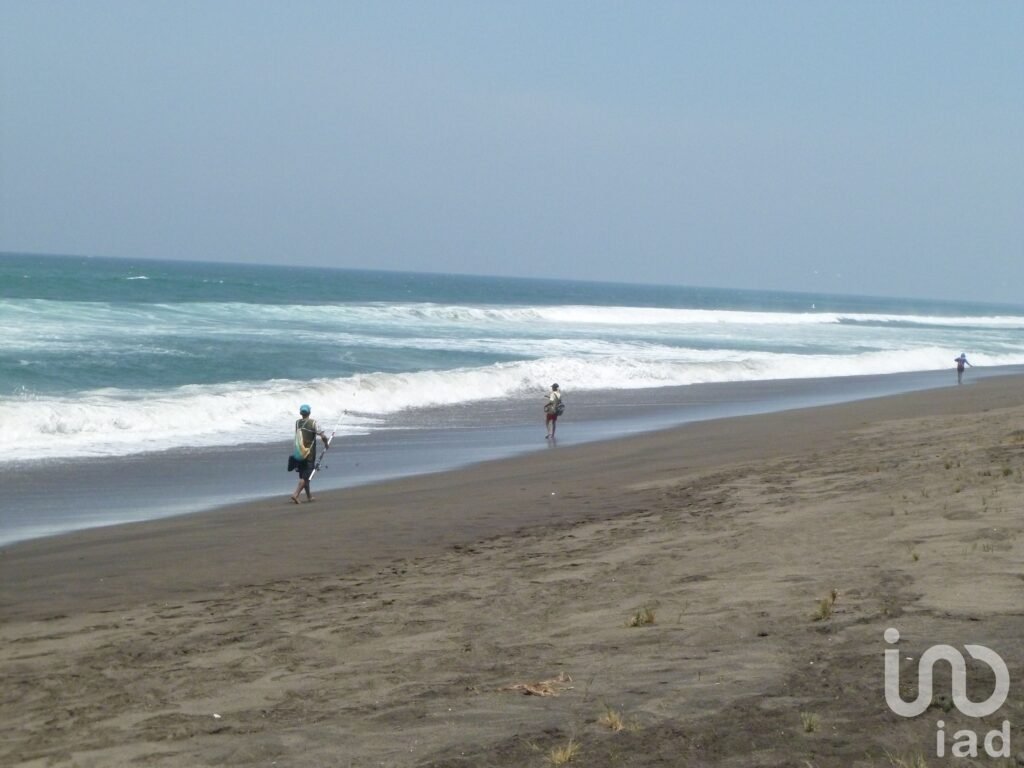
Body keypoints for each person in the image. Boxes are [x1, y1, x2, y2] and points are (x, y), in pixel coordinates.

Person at [290, 403, 330, 504]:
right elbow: (323, 436)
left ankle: (309, 496)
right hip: (309, 454)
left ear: (301, 413)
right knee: (306, 477)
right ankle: (296, 494)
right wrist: (326, 444)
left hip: (299, 453)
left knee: (305, 476)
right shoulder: (313, 423)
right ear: (309, 412)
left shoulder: (297, 423)